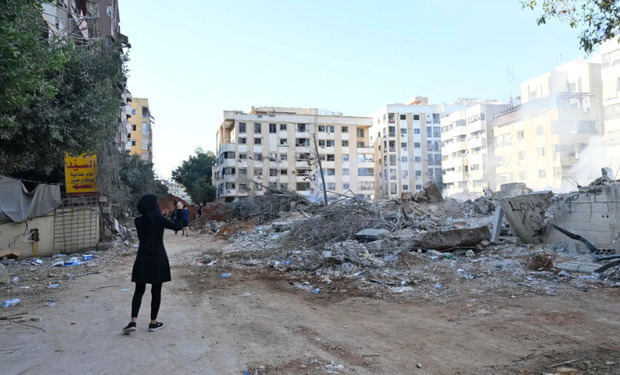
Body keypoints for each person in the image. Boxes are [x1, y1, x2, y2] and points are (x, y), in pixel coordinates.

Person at [122, 194, 183, 333]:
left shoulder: (138, 221)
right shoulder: (158, 219)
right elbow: (177, 226)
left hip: (142, 257)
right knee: (156, 291)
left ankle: (133, 321)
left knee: (139, 290)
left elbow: (149, 221)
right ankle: (153, 322)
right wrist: (179, 210)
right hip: (158, 258)